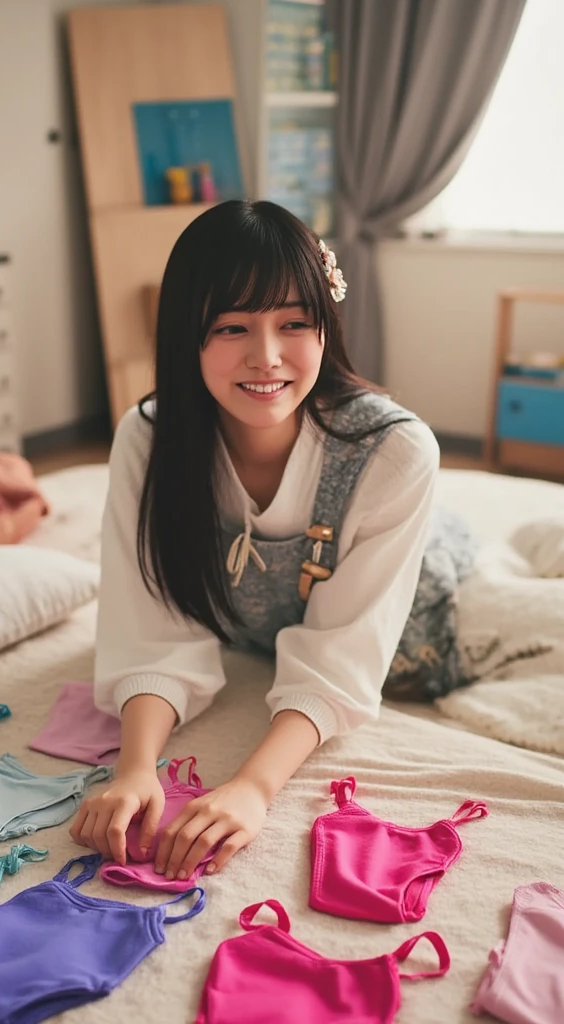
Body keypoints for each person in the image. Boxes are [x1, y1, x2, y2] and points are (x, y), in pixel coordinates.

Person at [70, 199, 440, 883]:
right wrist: (134, 768)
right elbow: (149, 623)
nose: (266, 356)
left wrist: (253, 786)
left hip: (401, 605)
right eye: (232, 326)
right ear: (188, 335)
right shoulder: (148, 438)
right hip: (245, 624)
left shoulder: (393, 451)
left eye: (294, 323)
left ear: (326, 325)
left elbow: (342, 659)